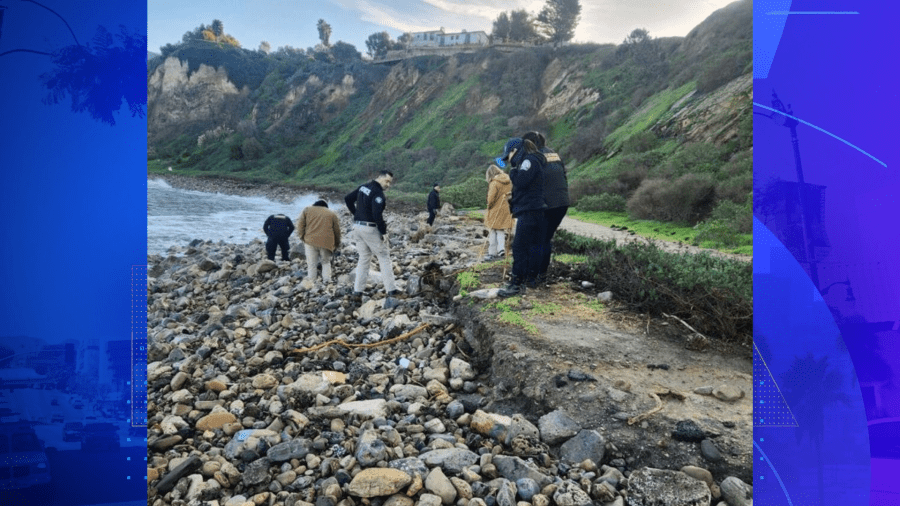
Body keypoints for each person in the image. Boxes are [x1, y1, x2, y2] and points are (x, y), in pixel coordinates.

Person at [495, 137, 547, 296]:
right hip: (536, 209)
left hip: (530, 210)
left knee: (519, 247)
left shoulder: (528, 161)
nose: (508, 160)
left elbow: (521, 182)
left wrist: (513, 172)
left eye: (508, 156)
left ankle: (516, 284)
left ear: (514, 151)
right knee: (533, 246)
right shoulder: (532, 160)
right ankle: (531, 279)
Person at [523, 131, 570, 284]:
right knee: (545, 239)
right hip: (562, 202)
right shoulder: (554, 155)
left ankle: (532, 277)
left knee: (537, 239)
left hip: (545, 204)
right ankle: (541, 274)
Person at [344, 170, 400, 296]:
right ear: (379, 178)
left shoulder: (363, 187)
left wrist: (357, 215)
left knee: (364, 258)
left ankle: (357, 292)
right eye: (387, 181)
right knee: (384, 257)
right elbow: (376, 214)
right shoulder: (378, 193)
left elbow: (348, 199)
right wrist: (383, 231)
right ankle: (391, 290)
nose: (388, 185)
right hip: (370, 228)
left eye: (390, 182)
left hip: (357, 227)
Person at [296, 199, 342, 284]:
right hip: (326, 242)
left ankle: (311, 281)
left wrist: (302, 237)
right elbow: (337, 231)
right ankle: (327, 280)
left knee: (312, 264)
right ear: (326, 207)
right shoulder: (332, 213)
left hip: (310, 241)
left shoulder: (307, 210)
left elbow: (300, 225)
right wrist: (337, 243)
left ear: (315, 205)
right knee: (326, 262)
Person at [484, 164, 514, 260]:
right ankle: (501, 250)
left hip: (495, 209)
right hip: (506, 208)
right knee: (500, 229)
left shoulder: (494, 183)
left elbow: (491, 199)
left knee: (493, 230)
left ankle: (492, 252)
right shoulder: (508, 181)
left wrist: (488, 206)